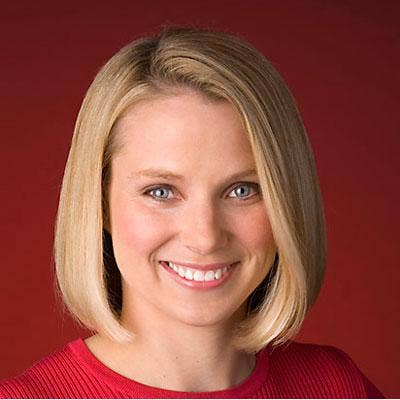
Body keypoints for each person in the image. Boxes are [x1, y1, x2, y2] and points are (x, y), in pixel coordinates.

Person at [0, 25, 384, 398]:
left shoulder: (337, 386)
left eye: (242, 190)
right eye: (161, 191)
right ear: (99, 204)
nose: (205, 238)